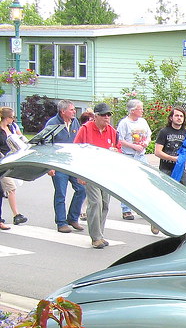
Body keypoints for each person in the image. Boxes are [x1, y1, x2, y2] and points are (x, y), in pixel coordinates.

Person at [73, 102, 120, 249]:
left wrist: (116, 152)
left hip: (107, 172)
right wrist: (79, 173)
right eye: (104, 115)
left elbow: (118, 149)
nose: (107, 117)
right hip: (90, 171)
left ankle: (100, 233)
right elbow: (76, 151)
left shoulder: (112, 131)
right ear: (96, 116)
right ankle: (95, 237)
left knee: (105, 204)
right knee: (96, 203)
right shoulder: (85, 129)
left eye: (109, 115)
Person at [42, 99, 86, 232]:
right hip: (58, 164)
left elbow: (78, 141)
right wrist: (50, 166)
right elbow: (45, 145)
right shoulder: (52, 124)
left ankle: (73, 218)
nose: (74, 112)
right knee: (61, 193)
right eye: (72, 110)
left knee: (81, 189)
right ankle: (61, 222)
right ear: (63, 111)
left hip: (72, 163)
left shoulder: (75, 122)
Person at [116, 99, 151, 220]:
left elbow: (149, 135)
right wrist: (133, 146)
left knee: (145, 182)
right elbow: (120, 140)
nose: (142, 111)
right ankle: (126, 210)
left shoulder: (143, 121)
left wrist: (146, 142)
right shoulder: (124, 123)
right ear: (132, 110)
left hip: (141, 156)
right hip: (129, 155)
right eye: (140, 108)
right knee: (128, 183)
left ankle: (142, 208)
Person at [0, 106, 27, 230]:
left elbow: (21, 138)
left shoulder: (12, 127)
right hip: (2, 162)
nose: (13, 119)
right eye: (12, 117)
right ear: (6, 117)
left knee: (3, 191)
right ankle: (16, 215)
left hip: (11, 160)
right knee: (10, 188)